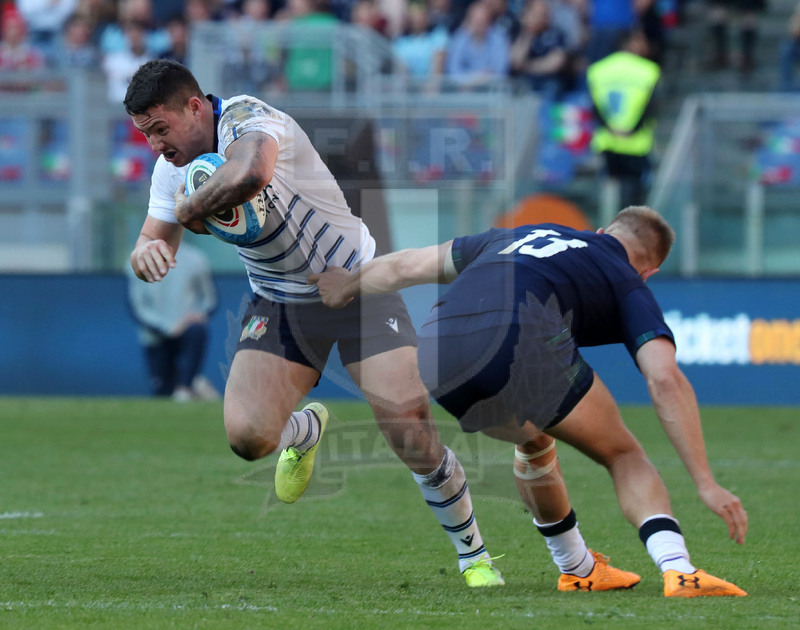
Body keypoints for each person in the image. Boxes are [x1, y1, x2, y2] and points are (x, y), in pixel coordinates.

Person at [124, 58, 640, 591]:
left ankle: (474, 556)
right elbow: (154, 236)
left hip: (355, 286)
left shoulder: (250, 119)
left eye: (160, 130)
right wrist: (147, 252)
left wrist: (188, 214)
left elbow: (250, 173)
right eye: (146, 135)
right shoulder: (173, 171)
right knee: (248, 439)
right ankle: (303, 430)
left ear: (194, 107)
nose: (156, 146)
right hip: (279, 302)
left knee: (410, 428)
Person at [310, 206, 749, 598]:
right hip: (517, 342)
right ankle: (680, 570)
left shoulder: (512, 236)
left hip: (440, 353)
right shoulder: (626, 280)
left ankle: (577, 569)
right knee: (624, 454)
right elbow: (664, 379)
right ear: (648, 271)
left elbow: (407, 265)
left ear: (601, 230)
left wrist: (344, 286)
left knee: (535, 440)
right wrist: (706, 482)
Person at [127, 241, 220, 401]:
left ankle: (186, 386)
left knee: (181, 395)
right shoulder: (137, 258)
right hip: (155, 336)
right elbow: (137, 307)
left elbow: (209, 299)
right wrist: (167, 327)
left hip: (188, 330)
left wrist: (197, 315)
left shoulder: (196, 258)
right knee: (162, 393)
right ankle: (196, 384)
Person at [586, 30, 660, 210]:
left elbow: (594, 106)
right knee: (636, 200)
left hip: (607, 142)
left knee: (608, 198)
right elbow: (651, 107)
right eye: (641, 40)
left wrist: (610, 128)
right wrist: (632, 130)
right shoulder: (649, 70)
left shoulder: (597, 69)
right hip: (637, 144)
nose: (645, 45)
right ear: (628, 43)